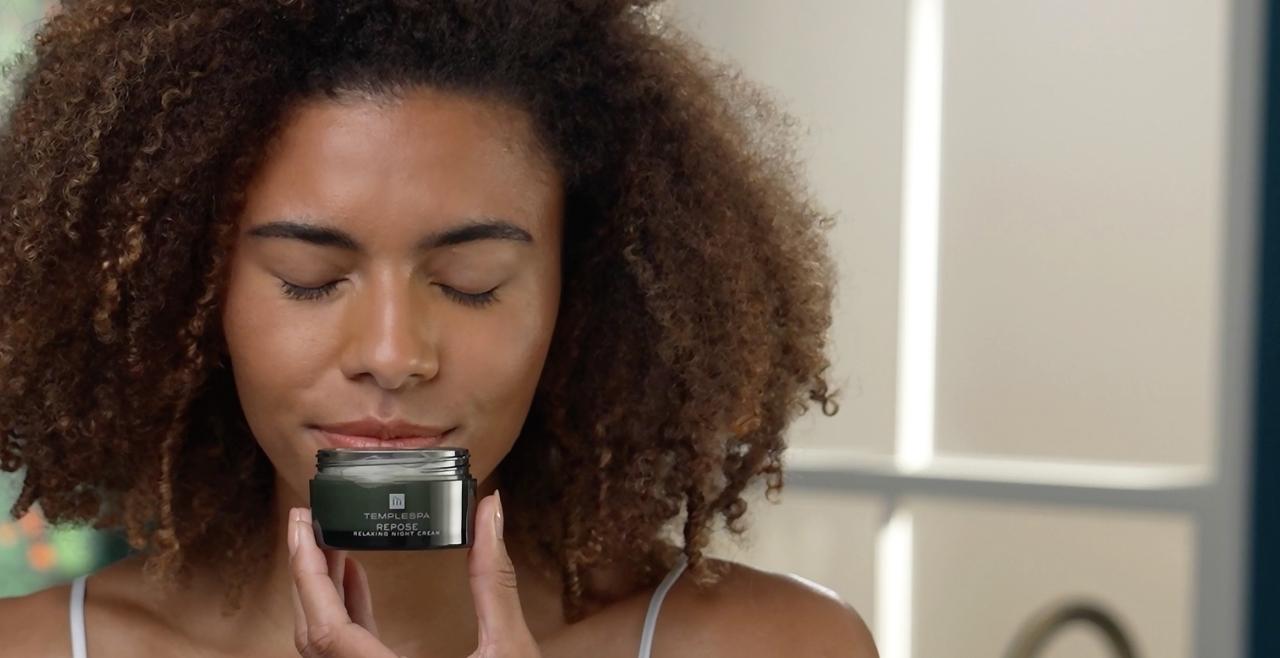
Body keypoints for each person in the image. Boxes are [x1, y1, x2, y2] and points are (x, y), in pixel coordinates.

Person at [0, 1, 877, 656]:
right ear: (191, 295)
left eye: (471, 285)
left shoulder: (771, 644)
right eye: (310, 280)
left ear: (580, 295)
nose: (392, 356)